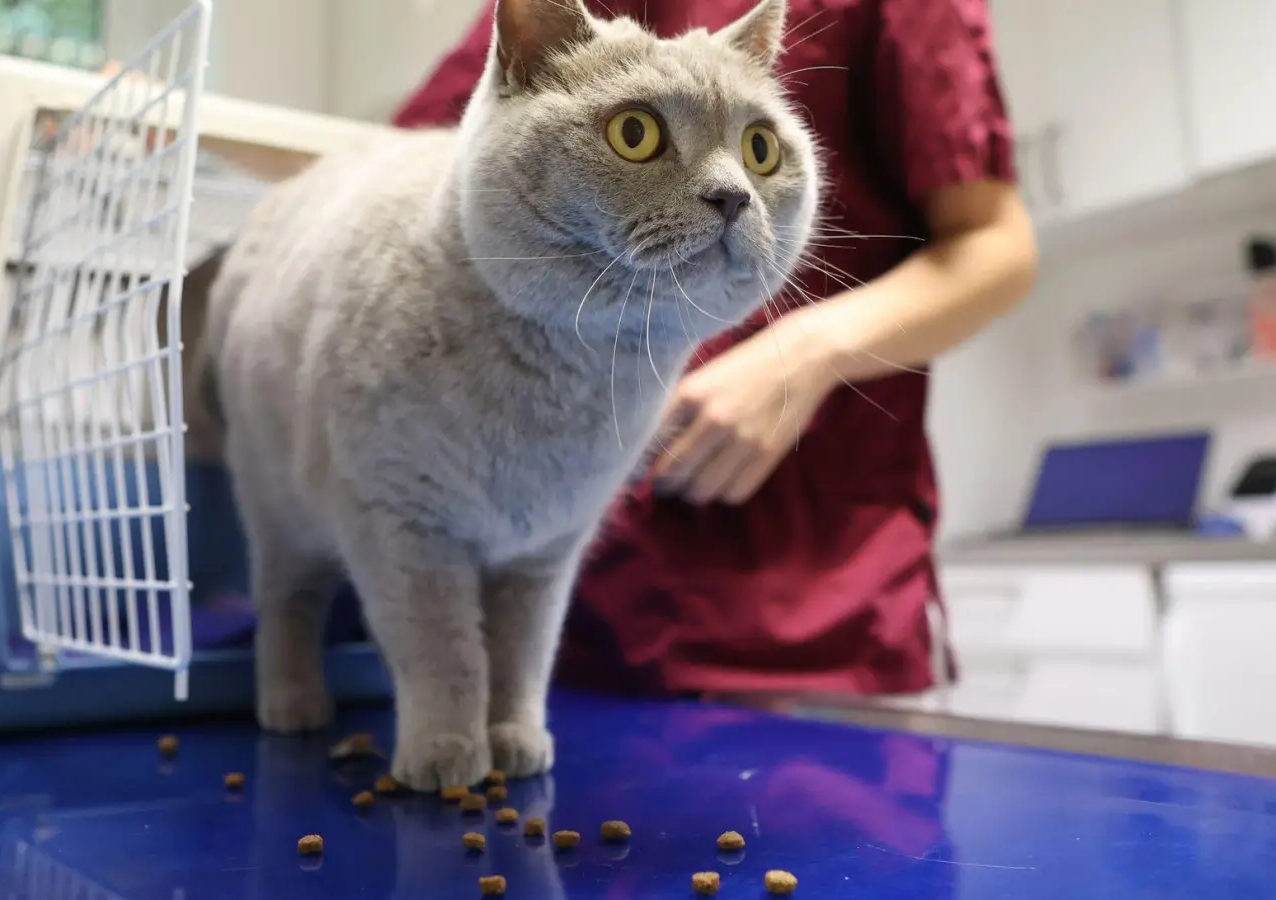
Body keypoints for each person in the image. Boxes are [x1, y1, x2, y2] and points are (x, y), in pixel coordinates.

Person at [395, 0, 1037, 698]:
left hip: (801, 615)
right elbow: (417, 157)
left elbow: (995, 246)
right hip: (560, 611)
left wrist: (804, 354)